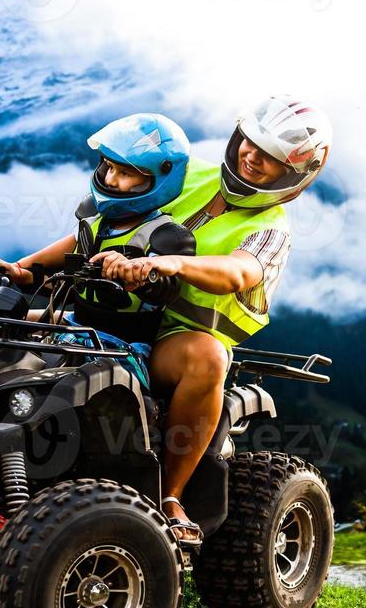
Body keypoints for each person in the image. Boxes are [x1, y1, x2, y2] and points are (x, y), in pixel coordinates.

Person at [94, 95, 333, 547]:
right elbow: (111, 214)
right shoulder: (187, 175)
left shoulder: (271, 229)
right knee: (5, 324)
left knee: (209, 357)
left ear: (295, 177)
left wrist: (173, 265)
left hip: (175, 341)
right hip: (113, 312)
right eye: (250, 142)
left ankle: (170, 495)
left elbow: (240, 271)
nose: (252, 157)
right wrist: (26, 268)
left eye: (271, 158)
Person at [0, 113, 195, 347]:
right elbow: (71, 284)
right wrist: (20, 274)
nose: (110, 180)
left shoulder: (168, 235)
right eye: (109, 167)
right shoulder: (96, 221)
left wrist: (139, 274)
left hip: (121, 348)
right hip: (75, 331)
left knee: (67, 385)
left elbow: (167, 290)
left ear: (160, 178)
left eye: (125, 173)